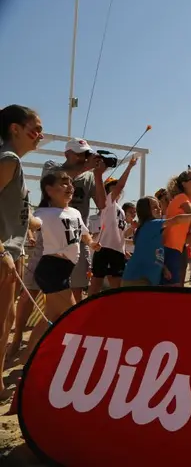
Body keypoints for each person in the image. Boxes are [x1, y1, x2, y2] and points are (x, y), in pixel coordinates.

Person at [21, 172, 101, 364]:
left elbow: (84, 233)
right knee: (74, 315)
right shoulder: (44, 213)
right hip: (52, 269)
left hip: (63, 271)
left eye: (70, 183)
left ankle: (27, 359)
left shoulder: (74, 212)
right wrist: (24, 204)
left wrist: (91, 243)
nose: (70, 187)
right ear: (49, 190)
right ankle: (77, 359)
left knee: (50, 317)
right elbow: (33, 223)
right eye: (63, 184)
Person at [22, 137, 107, 303]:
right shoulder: (51, 166)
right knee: (31, 288)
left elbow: (102, 204)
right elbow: (54, 179)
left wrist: (97, 175)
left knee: (74, 288)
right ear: (67, 154)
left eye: (86, 154)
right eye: (80, 154)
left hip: (76, 241)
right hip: (48, 239)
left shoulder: (88, 176)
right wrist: (85, 168)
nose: (84, 158)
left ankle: (66, 324)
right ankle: (18, 330)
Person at [0, 105, 43, 396]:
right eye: (35, 128)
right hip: (4, 254)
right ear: (15, 128)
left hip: (13, 254)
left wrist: (35, 222)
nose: (39, 135)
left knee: (7, 322)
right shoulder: (9, 159)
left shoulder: (13, 162)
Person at [122, 196, 191, 286]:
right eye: (155, 207)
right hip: (137, 280)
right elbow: (176, 220)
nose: (159, 209)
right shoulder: (151, 224)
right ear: (145, 211)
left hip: (143, 280)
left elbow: (150, 254)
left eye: (159, 206)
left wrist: (163, 268)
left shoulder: (150, 229)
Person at [88, 156, 138, 296]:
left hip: (117, 251)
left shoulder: (120, 210)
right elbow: (121, 186)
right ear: (108, 189)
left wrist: (132, 228)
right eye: (113, 186)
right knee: (96, 284)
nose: (117, 188)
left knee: (117, 286)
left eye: (116, 186)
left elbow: (122, 234)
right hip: (105, 248)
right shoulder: (108, 202)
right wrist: (129, 166)